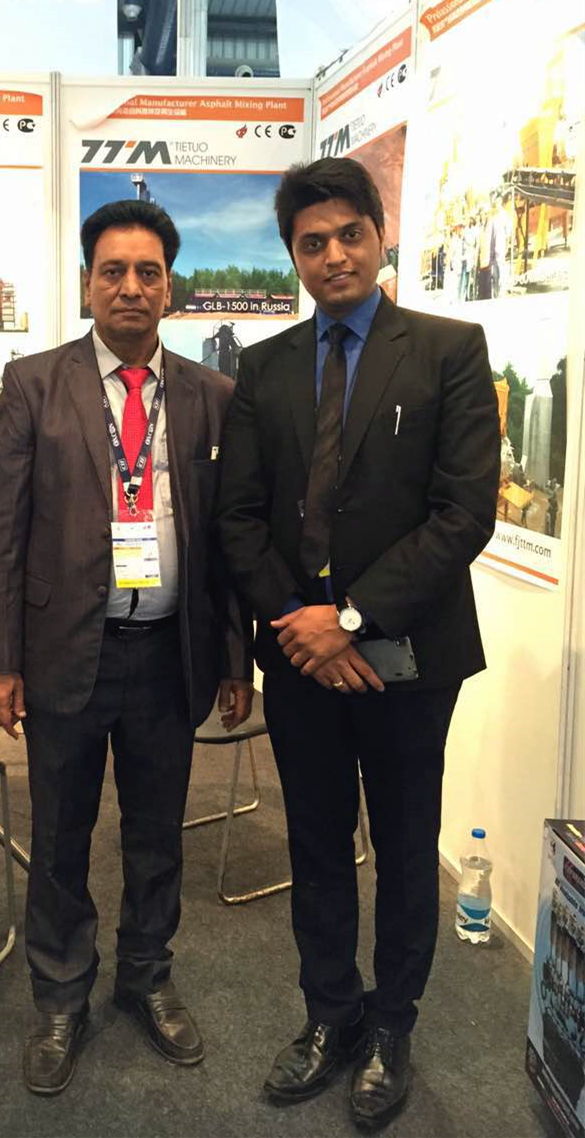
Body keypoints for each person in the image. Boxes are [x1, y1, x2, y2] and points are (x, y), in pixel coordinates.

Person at [216, 158, 499, 1127]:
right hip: (301, 660)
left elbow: (463, 514)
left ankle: (392, 1027)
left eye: (349, 235)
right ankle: (330, 1014)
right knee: (317, 840)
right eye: (312, 242)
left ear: (380, 237)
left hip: (410, 658)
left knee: (408, 846)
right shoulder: (266, 367)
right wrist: (303, 628)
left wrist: (348, 619)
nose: (333, 255)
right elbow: (238, 516)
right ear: (293, 256)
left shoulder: (450, 350)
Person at [0, 198, 252, 1095]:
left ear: (170, 287)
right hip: (65, 650)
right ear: (87, 283)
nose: (130, 286)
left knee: (156, 834)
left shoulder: (212, 397)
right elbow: (3, 531)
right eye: (113, 271)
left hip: (169, 653)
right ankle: (61, 995)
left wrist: (235, 658)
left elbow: (228, 542)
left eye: (148, 272)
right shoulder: (34, 383)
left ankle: (146, 976)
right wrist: (0, 660)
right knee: (59, 836)